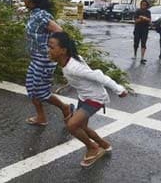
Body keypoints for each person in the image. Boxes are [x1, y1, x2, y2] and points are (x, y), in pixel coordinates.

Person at [48, 32, 128, 167]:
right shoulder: (67, 61)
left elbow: (98, 76)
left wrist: (118, 89)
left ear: (63, 50)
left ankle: (92, 147)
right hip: (84, 96)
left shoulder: (74, 67)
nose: (48, 50)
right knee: (82, 127)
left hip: (95, 98)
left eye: (51, 47)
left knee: (72, 125)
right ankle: (104, 144)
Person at [24, 0, 74, 126]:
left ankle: (65, 107)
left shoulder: (41, 15)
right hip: (36, 58)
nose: (24, 0)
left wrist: (58, 52)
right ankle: (41, 117)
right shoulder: (35, 13)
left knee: (40, 91)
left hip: (45, 59)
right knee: (31, 88)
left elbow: (60, 31)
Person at [133, 0, 152, 64]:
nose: (144, 6)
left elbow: (149, 20)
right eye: (143, 4)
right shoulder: (137, 11)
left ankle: (142, 58)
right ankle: (135, 55)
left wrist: (144, 18)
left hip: (145, 30)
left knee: (143, 43)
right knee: (136, 43)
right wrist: (140, 19)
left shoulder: (148, 12)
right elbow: (135, 21)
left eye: (145, 5)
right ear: (140, 5)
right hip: (137, 29)